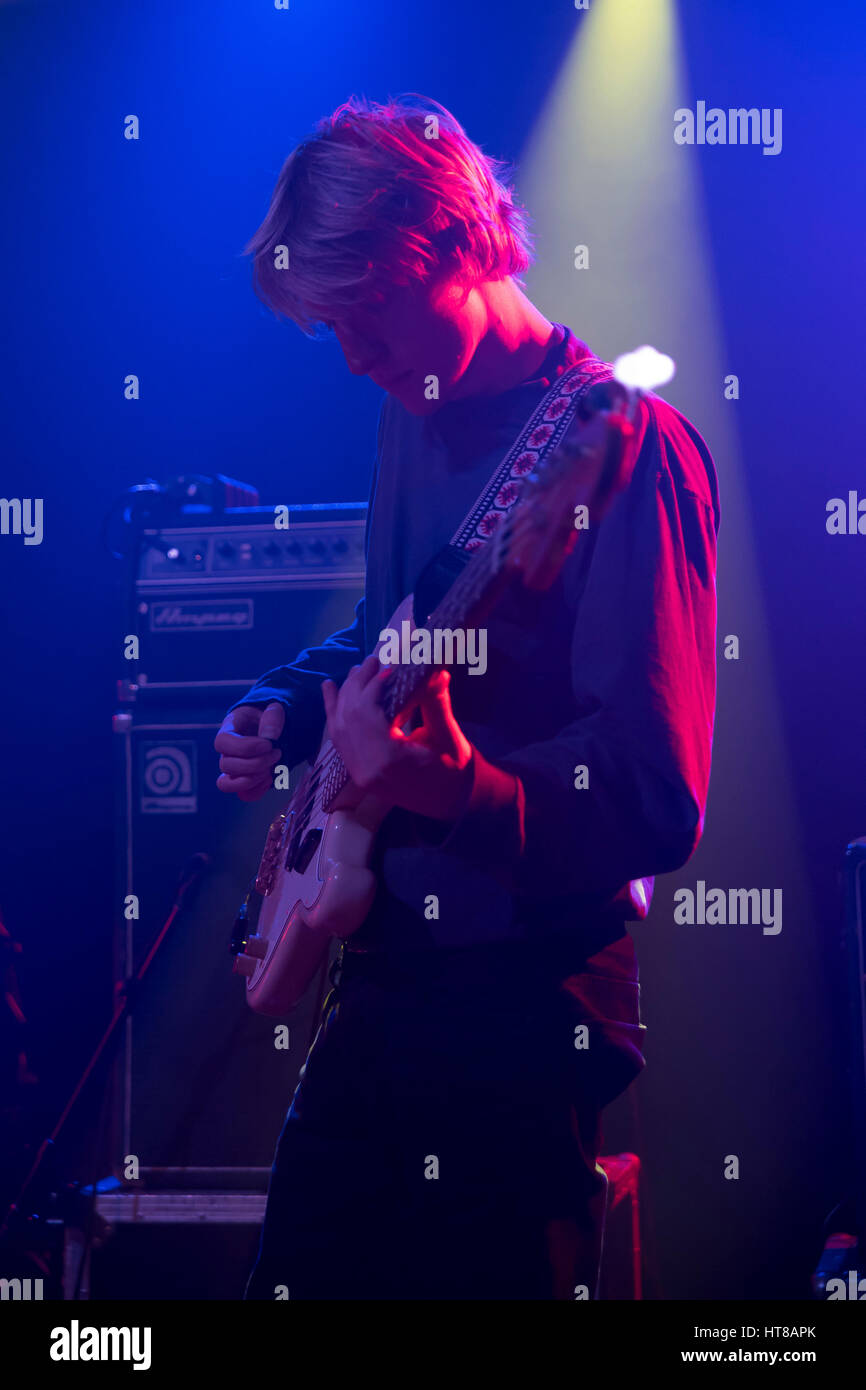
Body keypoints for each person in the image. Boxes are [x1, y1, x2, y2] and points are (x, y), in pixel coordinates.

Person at [214, 95, 719, 1300]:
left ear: (446, 242)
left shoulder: (629, 449)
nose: (351, 358)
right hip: (384, 976)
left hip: (523, 1003)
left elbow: (655, 794)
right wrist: (289, 710)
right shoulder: (414, 418)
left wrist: (457, 787)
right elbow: (386, 636)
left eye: (364, 315)